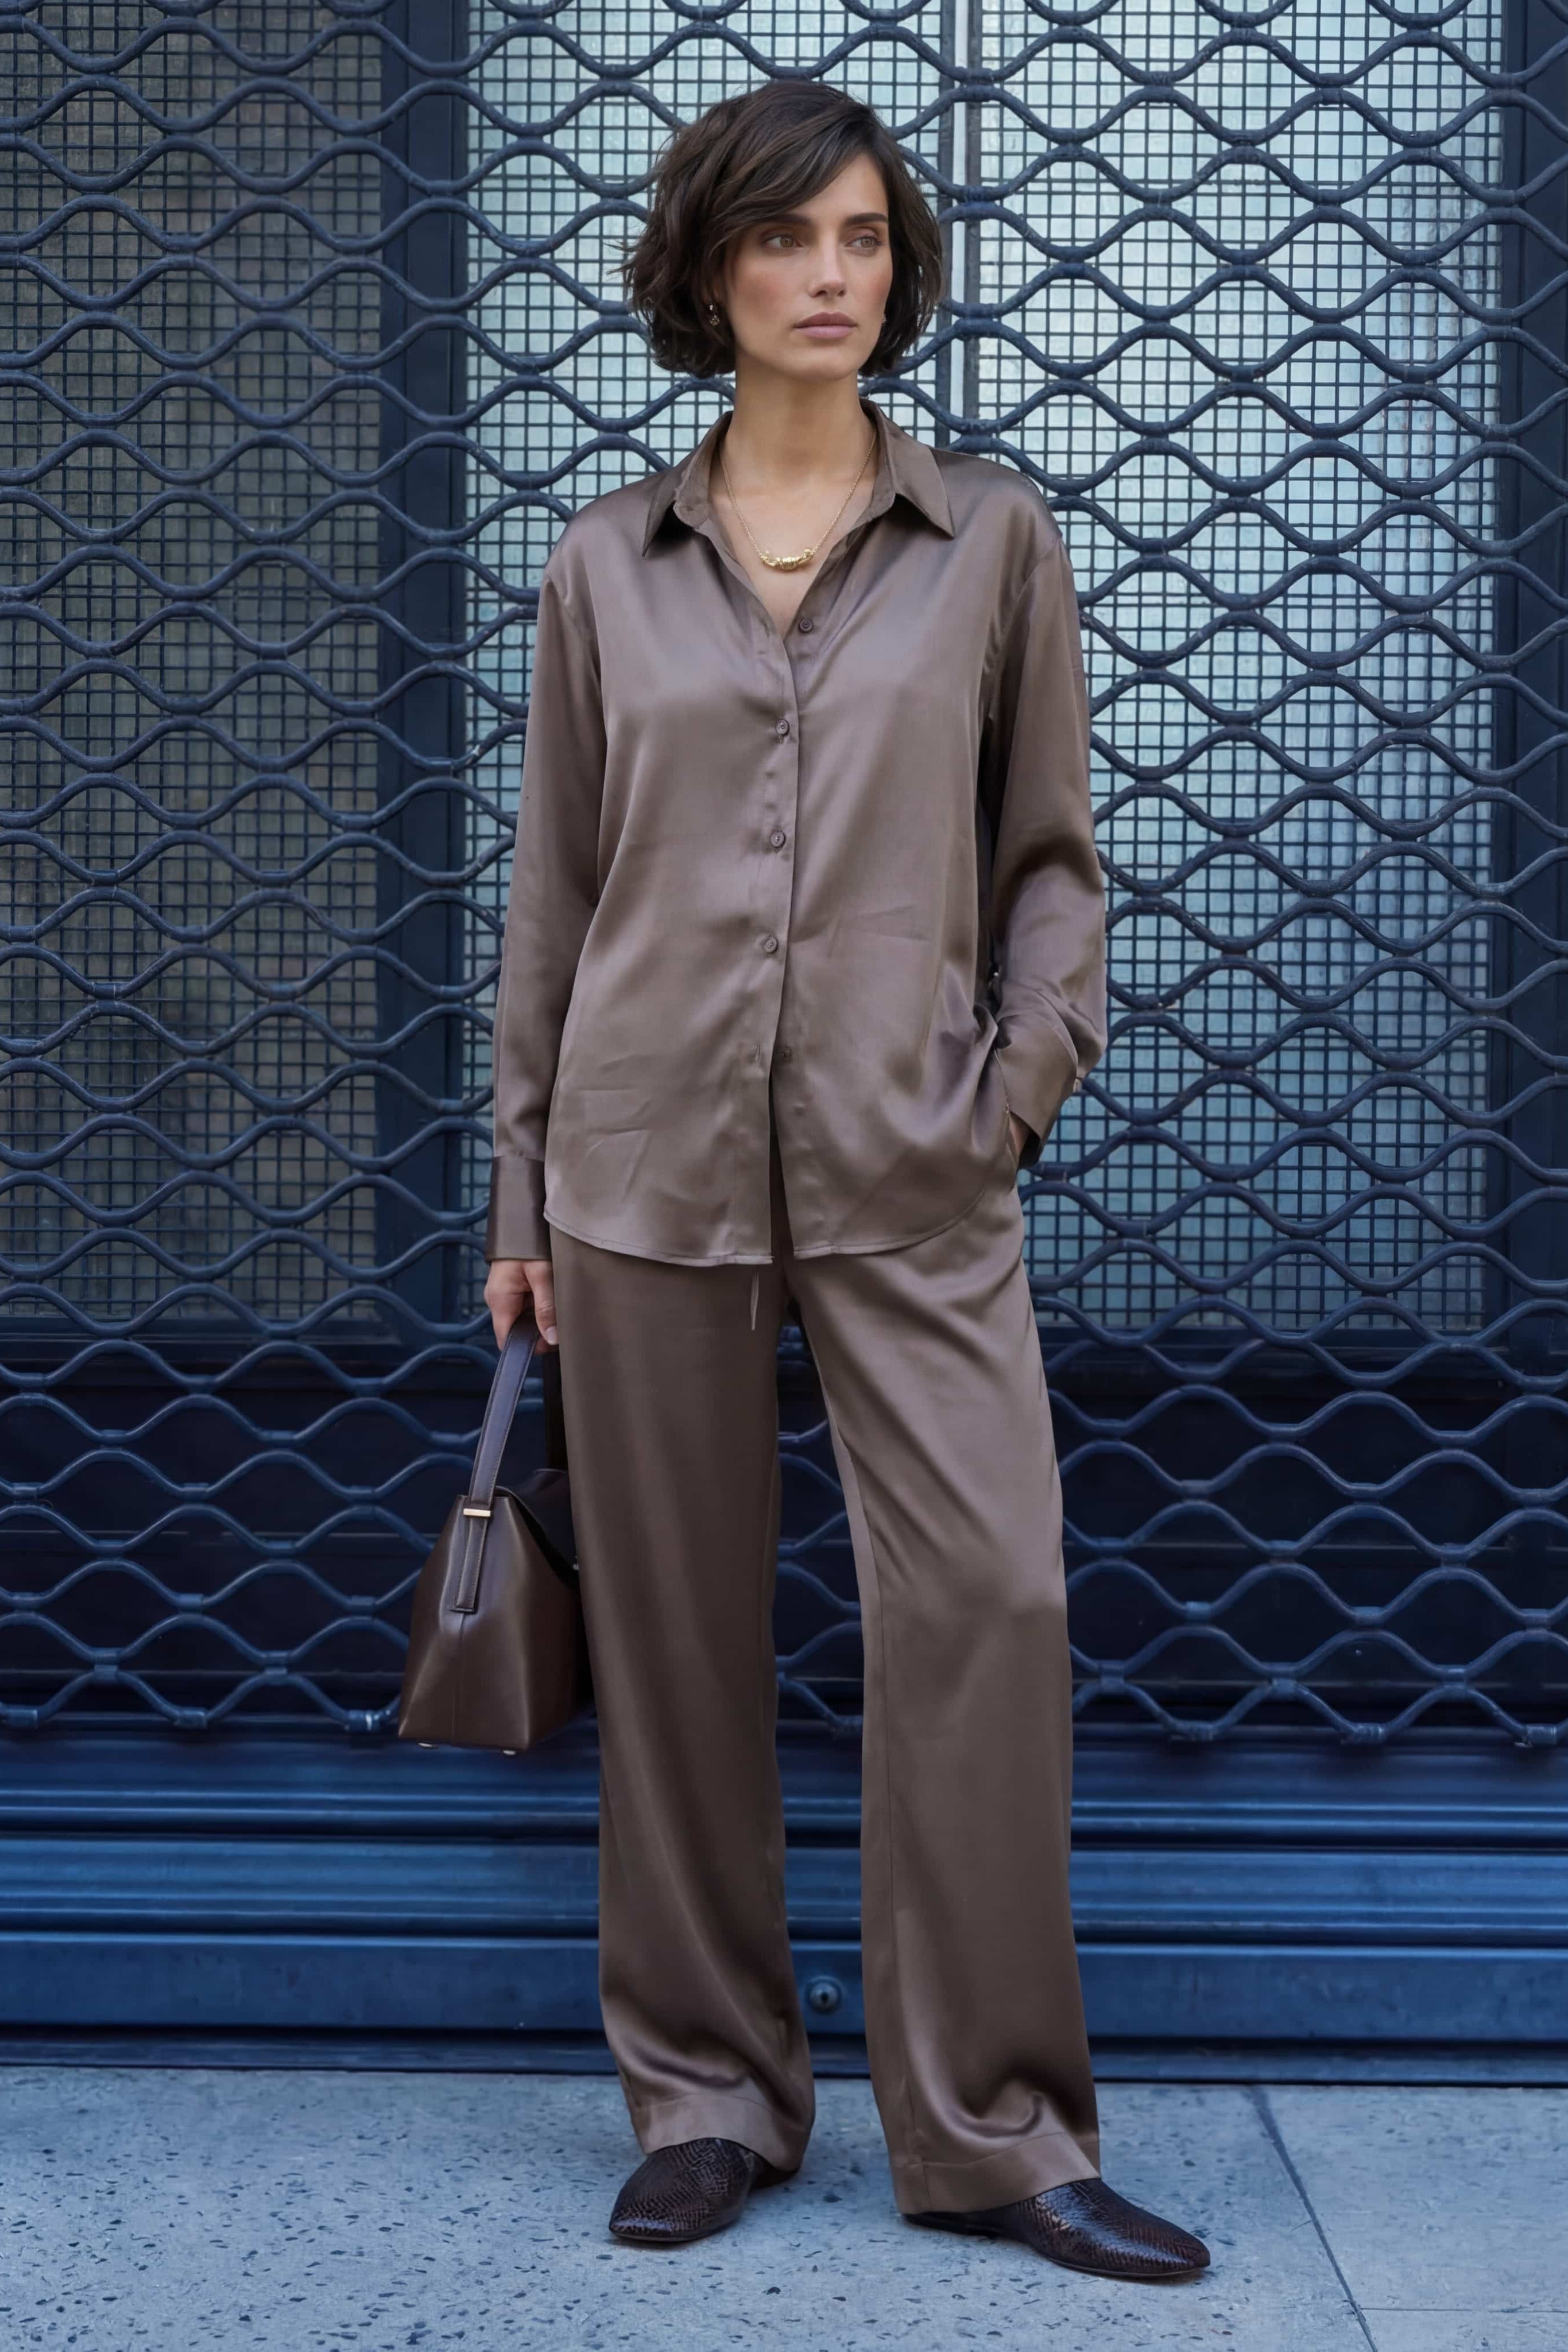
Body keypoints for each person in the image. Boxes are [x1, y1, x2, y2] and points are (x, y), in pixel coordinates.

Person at [483, 80, 1209, 2285]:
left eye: (868, 240)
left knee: (986, 1609)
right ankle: (705, 2099)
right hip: (638, 1166)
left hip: (914, 1164)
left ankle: (997, 2130)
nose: (832, 278)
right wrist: (518, 1202)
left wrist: (1008, 1095)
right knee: (685, 1648)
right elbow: (558, 892)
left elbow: (1049, 866)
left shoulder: (989, 539)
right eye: (790, 240)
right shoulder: (609, 560)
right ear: (708, 267)